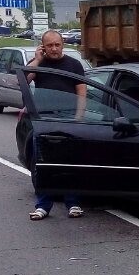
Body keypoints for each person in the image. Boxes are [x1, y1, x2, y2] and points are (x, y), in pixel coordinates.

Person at [25, 30, 89, 220]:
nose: (54, 48)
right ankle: (43, 205)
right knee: (44, 164)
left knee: (70, 163)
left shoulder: (74, 65)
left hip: (69, 119)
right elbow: (24, 80)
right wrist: (37, 60)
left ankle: (73, 203)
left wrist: (79, 118)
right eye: (49, 45)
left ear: (63, 45)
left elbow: (82, 92)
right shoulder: (38, 64)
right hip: (44, 121)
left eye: (57, 44)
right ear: (43, 46)